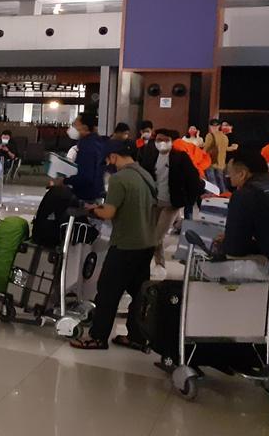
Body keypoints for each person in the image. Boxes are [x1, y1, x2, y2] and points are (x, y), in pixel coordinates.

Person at [71, 139, 156, 350]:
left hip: (125, 244)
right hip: (146, 243)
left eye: (110, 159)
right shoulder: (146, 175)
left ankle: (97, 337)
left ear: (114, 157)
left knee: (107, 292)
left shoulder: (120, 178)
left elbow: (109, 213)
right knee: (138, 293)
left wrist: (92, 209)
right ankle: (137, 337)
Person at [138, 129, 203, 266]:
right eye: (158, 140)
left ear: (172, 142)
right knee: (153, 235)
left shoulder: (180, 157)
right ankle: (159, 264)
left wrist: (189, 201)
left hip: (171, 204)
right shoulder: (150, 156)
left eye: (165, 140)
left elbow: (193, 179)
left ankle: (154, 264)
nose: (161, 143)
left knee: (157, 236)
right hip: (154, 202)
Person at [216, 151, 269, 267]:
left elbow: (235, 247)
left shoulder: (245, 195)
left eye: (230, 174)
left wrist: (226, 241)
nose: (229, 178)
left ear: (242, 174)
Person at [62, 112, 106, 203]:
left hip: (86, 196)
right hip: (96, 191)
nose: (72, 128)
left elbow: (86, 177)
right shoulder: (97, 142)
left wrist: (64, 181)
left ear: (85, 128)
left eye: (75, 125)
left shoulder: (87, 146)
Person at [203, 118, 231, 193]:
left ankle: (213, 194)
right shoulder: (225, 137)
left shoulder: (210, 135)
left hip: (211, 161)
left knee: (211, 180)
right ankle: (223, 194)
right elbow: (225, 149)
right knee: (221, 180)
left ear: (210, 126)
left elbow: (205, 149)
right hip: (221, 163)